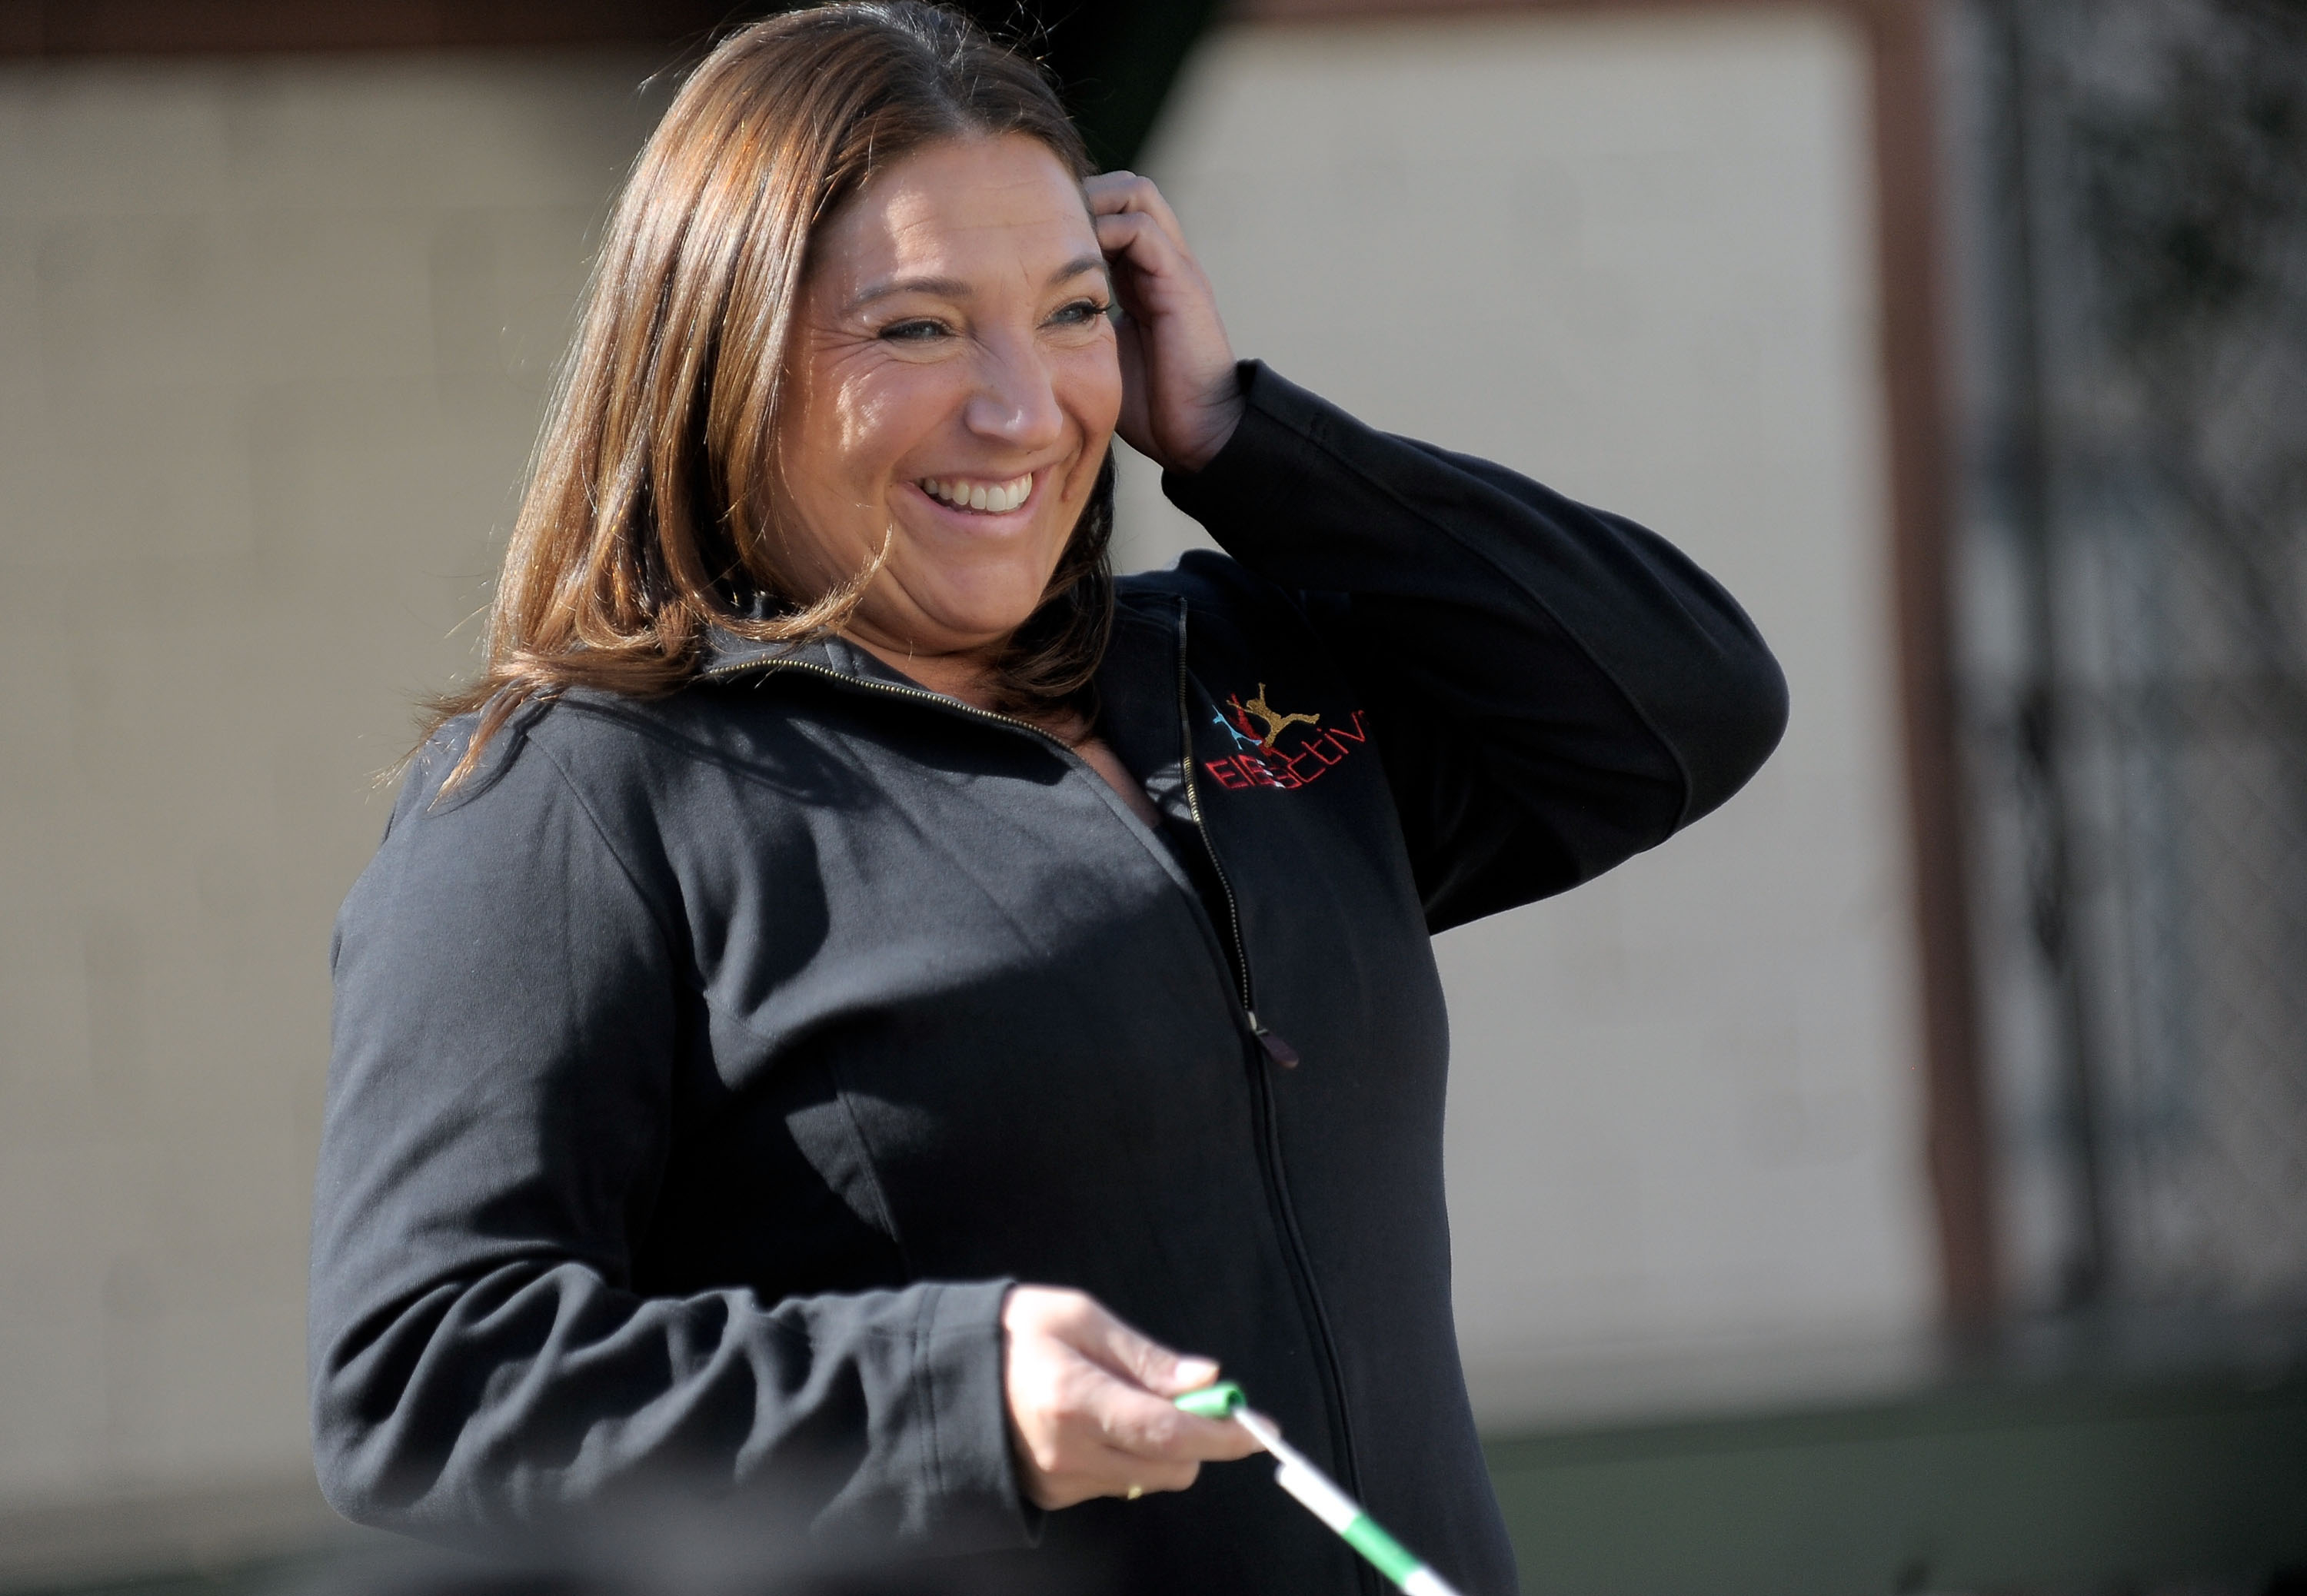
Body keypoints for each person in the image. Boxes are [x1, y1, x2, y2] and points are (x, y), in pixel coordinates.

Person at [308, 5, 1788, 1594]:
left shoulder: (1229, 669)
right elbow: (421, 1379)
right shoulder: (581, 800)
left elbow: (1683, 707)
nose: (1024, 411)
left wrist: (1240, 436)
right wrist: (953, 1397)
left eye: (1072, 313)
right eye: (922, 329)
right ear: (722, 358)